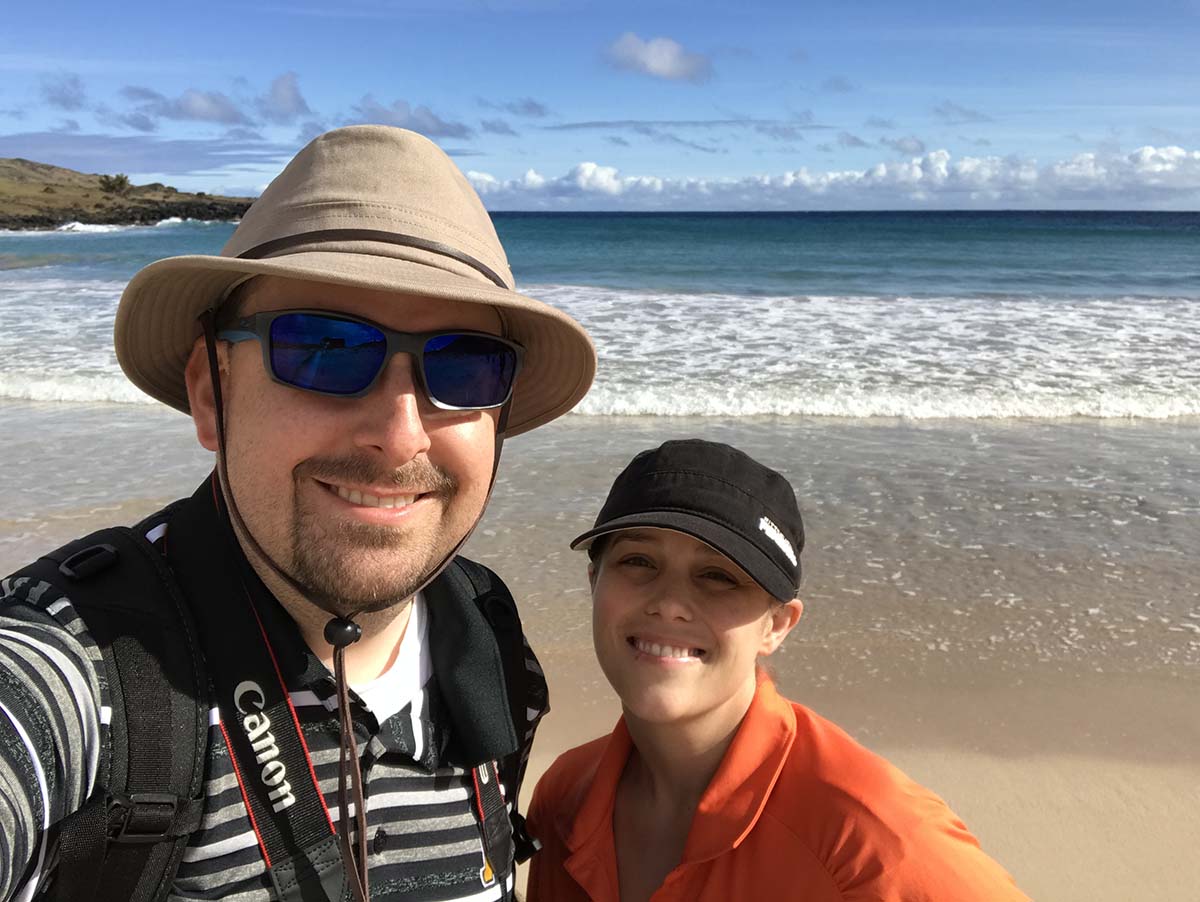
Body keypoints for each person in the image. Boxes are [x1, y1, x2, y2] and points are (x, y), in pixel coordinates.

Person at [0, 126, 596, 902]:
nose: (400, 435)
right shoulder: (83, 681)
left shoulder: (488, 641)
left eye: (464, 363)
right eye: (323, 347)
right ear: (212, 391)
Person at [525, 439, 1030, 901]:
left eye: (717, 576)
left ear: (777, 625)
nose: (670, 603)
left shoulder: (875, 839)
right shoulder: (565, 797)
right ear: (595, 582)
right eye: (639, 561)